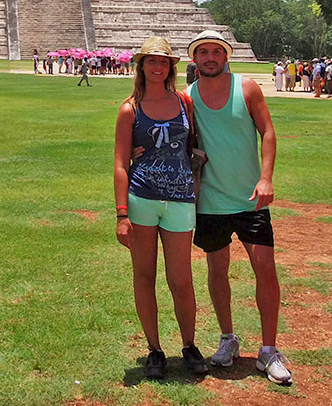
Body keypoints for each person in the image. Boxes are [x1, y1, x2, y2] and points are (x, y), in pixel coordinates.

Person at [185, 30, 291, 385]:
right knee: (218, 271)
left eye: (217, 51)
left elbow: (269, 132)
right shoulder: (187, 98)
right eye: (204, 52)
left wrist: (266, 179)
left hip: (250, 198)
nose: (210, 57)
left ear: (226, 56)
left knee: (266, 270)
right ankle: (227, 337)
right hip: (210, 201)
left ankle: (269, 349)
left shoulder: (247, 89)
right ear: (195, 59)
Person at [113, 37, 208, 380]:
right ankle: (155, 349)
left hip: (180, 198)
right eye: (151, 61)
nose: (157, 67)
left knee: (181, 279)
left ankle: (189, 343)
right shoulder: (130, 109)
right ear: (141, 66)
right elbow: (121, 164)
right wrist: (122, 214)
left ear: (171, 67)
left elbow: (193, 145)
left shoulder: (184, 102)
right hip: (142, 200)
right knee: (144, 276)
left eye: (163, 61)